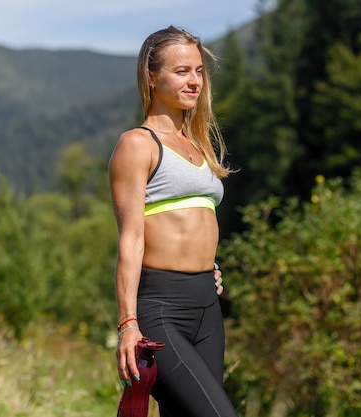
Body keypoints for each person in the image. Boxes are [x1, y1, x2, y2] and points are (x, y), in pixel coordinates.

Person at [108, 25, 238, 416]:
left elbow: (196, 221)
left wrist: (206, 266)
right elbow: (131, 240)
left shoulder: (200, 144)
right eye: (182, 71)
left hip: (207, 308)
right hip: (161, 311)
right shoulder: (138, 145)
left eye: (199, 71)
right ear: (151, 76)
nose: (194, 81)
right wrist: (128, 324)